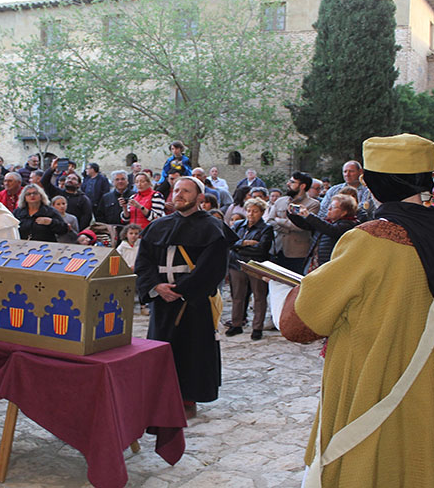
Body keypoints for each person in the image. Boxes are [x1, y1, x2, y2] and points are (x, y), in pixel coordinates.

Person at [281, 134, 434, 487]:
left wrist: (304, 286)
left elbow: (299, 325)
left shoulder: (368, 240)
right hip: (432, 385)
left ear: (369, 184)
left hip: (375, 387)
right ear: (428, 179)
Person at [135, 176, 237, 418]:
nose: (179, 195)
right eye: (176, 190)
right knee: (161, 347)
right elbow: (144, 262)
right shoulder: (158, 226)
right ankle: (161, 396)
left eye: (186, 191)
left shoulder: (212, 228)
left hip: (193, 302)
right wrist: (157, 287)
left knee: (192, 350)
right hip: (162, 299)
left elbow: (211, 269)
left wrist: (181, 291)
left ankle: (187, 397)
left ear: (200, 198)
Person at [226, 198, 274, 340]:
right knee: (237, 296)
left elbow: (261, 249)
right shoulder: (239, 225)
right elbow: (229, 242)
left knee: (259, 296)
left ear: (261, 212)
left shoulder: (266, 228)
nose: (251, 214)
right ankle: (236, 324)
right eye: (248, 211)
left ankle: (257, 327)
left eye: (255, 211)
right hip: (237, 264)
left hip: (256, 266)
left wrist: (239, 247)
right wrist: (245, 243)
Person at [267, 172, 321, 273]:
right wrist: (287, 227)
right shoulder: (280, 201)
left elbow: (302, 227)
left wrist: (279, 220)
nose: (288, 184)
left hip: (297, 252)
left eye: (292, 182)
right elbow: (270, 221)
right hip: (277, 249)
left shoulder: (312, 204)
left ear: (302, 186)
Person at [290, 194, 359, 272]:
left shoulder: (348, 225)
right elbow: (307, 226)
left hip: (328, 265)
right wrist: (293, 215)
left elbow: (331, 230)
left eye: (333, 207)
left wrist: (309, 215)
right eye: (330, 205)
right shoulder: (327, 221)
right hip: (314, 260)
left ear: (344, 212)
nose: (329, 208)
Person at [41, 159, 93, 230]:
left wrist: (78, 232)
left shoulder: (83, 199)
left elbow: (87, 217)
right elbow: (44, 181)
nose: (70, 180)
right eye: (68, 178)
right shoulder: (57, 193)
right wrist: (52, 168)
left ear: (79, 184)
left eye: (73, 179)